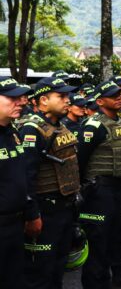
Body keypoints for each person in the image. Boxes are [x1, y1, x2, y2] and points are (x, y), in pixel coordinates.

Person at [19, 77, 79, 289]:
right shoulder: (31, 129)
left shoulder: (59, 126)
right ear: (43, 100)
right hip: (45, 211)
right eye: (61, 96)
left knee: (59, 264)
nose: (67, 100)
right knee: (41, 271)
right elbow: (26, 176)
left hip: (65, 207)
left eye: (67, 95)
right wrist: (32, 215)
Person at [78, 81, 121, 289]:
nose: (120, 99)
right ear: (100, 101)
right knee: (98, 240)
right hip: (99, 191)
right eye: (115, 96)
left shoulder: (120, 123)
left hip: (119, 188)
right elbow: (80, 161)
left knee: (116, 236)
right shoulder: (93, 126)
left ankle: (118, 275)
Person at [0, 77, 32, 289]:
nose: (21, 102)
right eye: (13, 98)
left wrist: (32, 212)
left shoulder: (12, 132)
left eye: (21, 97)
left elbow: (23, 176)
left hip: (15, 224)